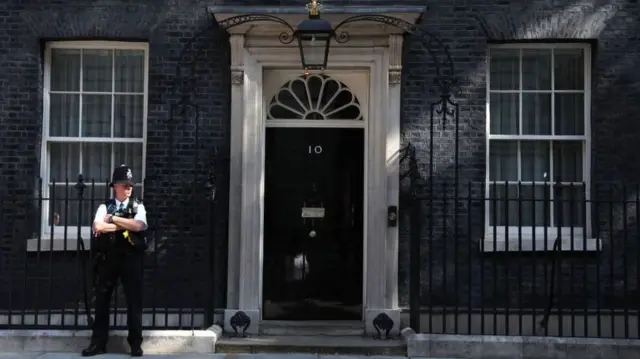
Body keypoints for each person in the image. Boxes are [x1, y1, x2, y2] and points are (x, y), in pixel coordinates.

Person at [81, 165, 148, 357]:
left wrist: (113, 219)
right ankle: (98, 343)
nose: (128, 188)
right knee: (101, 301)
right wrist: (122, 222)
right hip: (108, 258)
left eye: (130, 185)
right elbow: (98, 226)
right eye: (124, 184)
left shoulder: (138, 206)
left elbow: (139, 225)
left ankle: (135, 344)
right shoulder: (104, 206)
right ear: (115, 186)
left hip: (130, 259)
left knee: (134, 302)